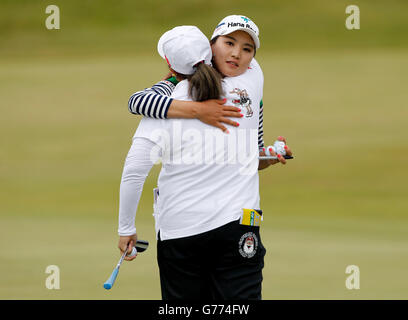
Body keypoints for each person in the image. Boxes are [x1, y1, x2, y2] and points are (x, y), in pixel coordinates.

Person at [117, 18, 292, 300]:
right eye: (229, 43)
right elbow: (251, 149)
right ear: (209, 48)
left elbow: (135, 167)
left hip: (180, 230)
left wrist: (126, 227)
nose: (236, 54)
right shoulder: (254, 77)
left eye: (246, 48)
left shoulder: (164, 102)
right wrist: (267, 154)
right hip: (240, 226)